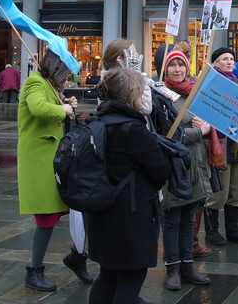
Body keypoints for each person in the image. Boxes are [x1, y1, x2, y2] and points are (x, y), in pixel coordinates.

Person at [87, 67, 171, 304]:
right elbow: (161, 170)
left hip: (102, 211)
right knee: (129, 282)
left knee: (108, 276)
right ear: (132, 93)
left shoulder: (97, 121)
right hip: (131, 216)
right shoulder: (133, 129)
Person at [17, 47, 91, 291]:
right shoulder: (35, 82)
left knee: (80, 207)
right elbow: (38, 108)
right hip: (40, 160)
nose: (67, 76)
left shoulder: (48, 84)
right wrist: (63, 109)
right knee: (46, 217)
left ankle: (77, 256)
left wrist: (65, 102)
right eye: (65, 70)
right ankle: (34, 270)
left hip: (54, 158)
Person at [151, 47, 214, 290]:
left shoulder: (194, 93)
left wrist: (207, 124)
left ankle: (188, 265)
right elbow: (167, 136)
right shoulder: (160, 96)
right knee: (172, 219)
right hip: (174, 166)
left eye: (181, 65)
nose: (177, 70)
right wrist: (200, 131)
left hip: (195, 163)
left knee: (189, 218)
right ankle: (173, 269)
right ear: (165, 69)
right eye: (172, 65)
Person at [204, 47, 238, 246]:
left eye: (232, 59)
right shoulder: (210, 85)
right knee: (219, 191)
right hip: (220, 143)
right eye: (225, 59)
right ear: (216, 63)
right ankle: (212, 231)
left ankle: (233, 229)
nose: (230, 62)